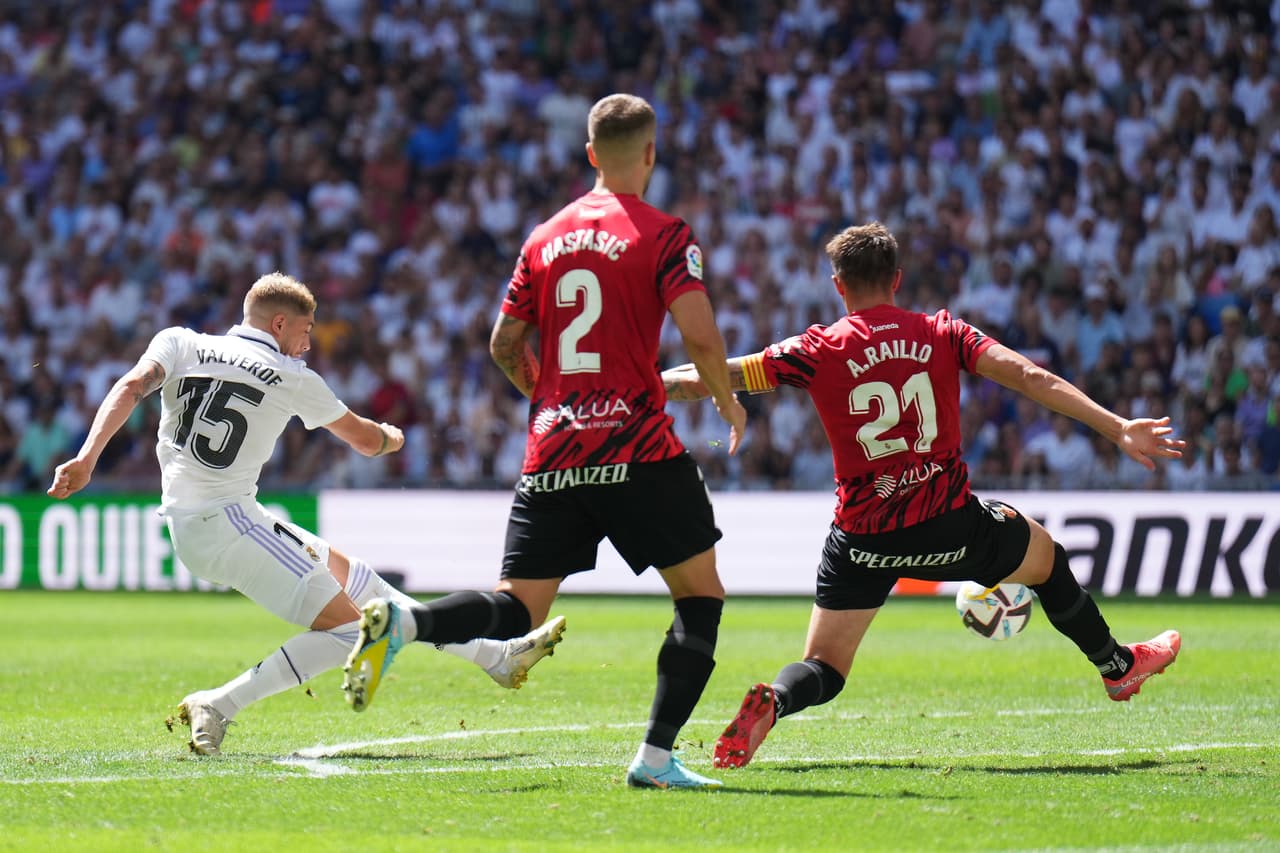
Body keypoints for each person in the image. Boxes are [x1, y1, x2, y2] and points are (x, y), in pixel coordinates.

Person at [661, 222, 1185, 769]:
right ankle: (1116, 666)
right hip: (950, 525)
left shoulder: (816, 348)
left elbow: (715, 375)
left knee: (824, 666)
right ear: (898, 279)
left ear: (839, 286)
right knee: (1046, 559)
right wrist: (1117, 426)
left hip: (862, 539)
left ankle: (777, 700)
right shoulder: (942, 333)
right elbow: (1030, 377)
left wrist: (645, 386)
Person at [342, 93, 748, 789]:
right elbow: (701, 335)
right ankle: (654, 757)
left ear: (590, 154)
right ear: (649, 154)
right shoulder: (666, 234)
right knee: (699, 596)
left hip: (553, 447)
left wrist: (548, 398)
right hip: (637, 445)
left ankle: (406, 625)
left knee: (517, 608)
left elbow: (504, 342)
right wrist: (725, 399)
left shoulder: (543, 237)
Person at [47, 273, 566, 755]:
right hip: (230, 525)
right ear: (279, 324)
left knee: (361, 582)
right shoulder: (290, 374)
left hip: (202, 522)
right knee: (358, 631)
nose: (308, 342)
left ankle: (495, 657)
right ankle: (220, 703)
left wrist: (89, 458)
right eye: (306, 329)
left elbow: (131, 387)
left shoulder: (180, 341)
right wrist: (391, 437)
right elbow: (364, 440)